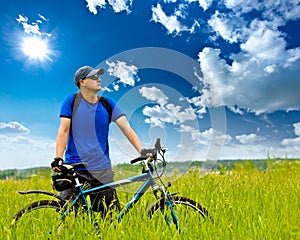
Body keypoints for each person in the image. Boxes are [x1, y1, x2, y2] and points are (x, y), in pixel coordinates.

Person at [51, 65, 143, 215]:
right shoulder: (71, 101)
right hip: (75, 168)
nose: (99, 79)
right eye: (94, 77)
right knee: (68, 217)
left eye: (99, 76)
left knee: (110, 218)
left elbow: (127, 129)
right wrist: (59, 158)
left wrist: (142, 151)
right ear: (83, 82)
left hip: (102, 170)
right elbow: (64, 130)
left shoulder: (108, 104)